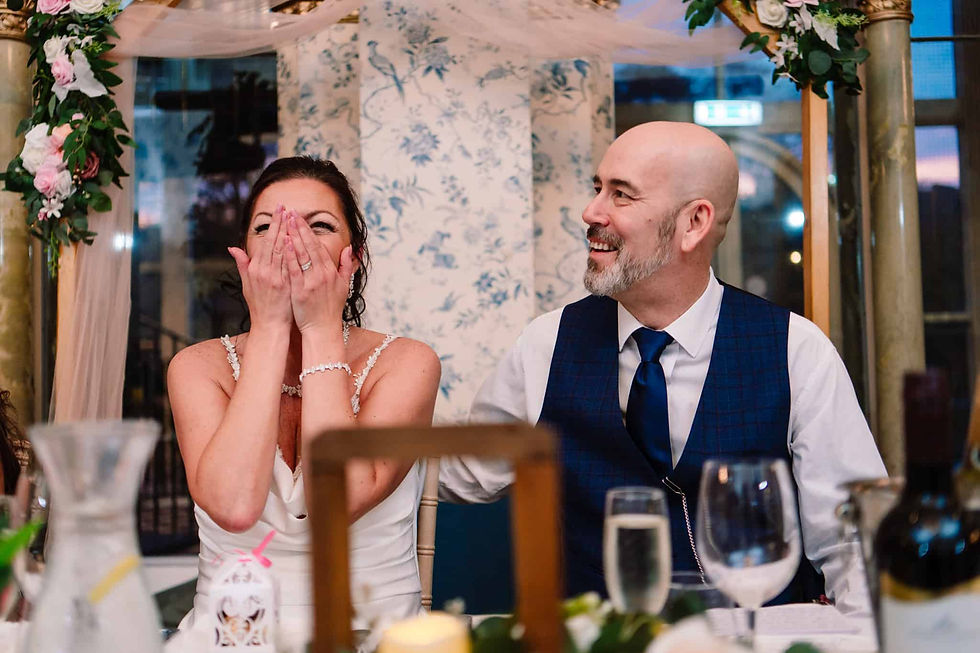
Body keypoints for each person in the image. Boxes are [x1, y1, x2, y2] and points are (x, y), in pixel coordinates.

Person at [439, 122, 886, 615]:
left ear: (694, 223)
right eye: (597, 189)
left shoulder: (796, 352)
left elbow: (854, 541)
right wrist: (358, 381)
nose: (591, 212)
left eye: (621, 195)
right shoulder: (545, 344)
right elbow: (461, 473)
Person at [167, 156, 441, 650]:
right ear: (244, 256)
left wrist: (318, 329)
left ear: (350, 258)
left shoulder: (407, 363)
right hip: (231, 637)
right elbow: (233, 507)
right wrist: (271, 327)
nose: (291, 242)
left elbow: (334, 501)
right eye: (268, 227)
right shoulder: (195, 368)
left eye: (318, 225)